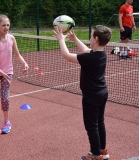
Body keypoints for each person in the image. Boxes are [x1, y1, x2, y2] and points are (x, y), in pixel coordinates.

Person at [53, 25, 111, 160]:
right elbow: (86, 50)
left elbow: (66, 55)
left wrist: (61, 39)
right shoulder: (101, 54)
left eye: (91, 36)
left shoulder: (90, 58)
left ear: (95, 39)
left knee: (91, 126)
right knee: (99, 122)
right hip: (102, 93)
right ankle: (103, 151)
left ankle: (96, 154)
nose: (89, 38)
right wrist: (74, 39)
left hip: (92, 96)